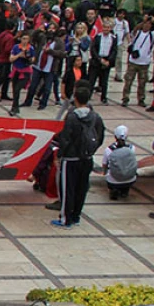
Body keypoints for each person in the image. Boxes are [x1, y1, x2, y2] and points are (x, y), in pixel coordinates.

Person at [51, 85, 104, 228]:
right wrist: (90, 150)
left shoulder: (72, 117)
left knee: (67, 189)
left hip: (71, 158)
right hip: (87, 158)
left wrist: (59, 156)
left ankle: (65, 219)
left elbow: (66, 138)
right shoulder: (95, 116)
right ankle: (76, 217)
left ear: (75, 98)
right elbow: (100, 136)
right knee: (81, 188)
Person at [121, 16, 154, 108]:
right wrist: (142, 22)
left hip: (144, 62)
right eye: (145, 24)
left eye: (149, 24)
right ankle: (125, 98)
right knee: (128, 81)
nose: (147, 26)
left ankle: (141, 99)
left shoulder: (152, 35)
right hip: (133, 61)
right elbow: (135, 29)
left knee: (142, 82)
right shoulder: (137, 33)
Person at [102, 125, 137, 200]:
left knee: (110, 174)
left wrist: (104, 173)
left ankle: (114, 190)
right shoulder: (132, 148)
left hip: (113, 180)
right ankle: (124, 191)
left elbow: (104, 164)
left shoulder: (109, 149)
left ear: (115, 136)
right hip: (130, 178)